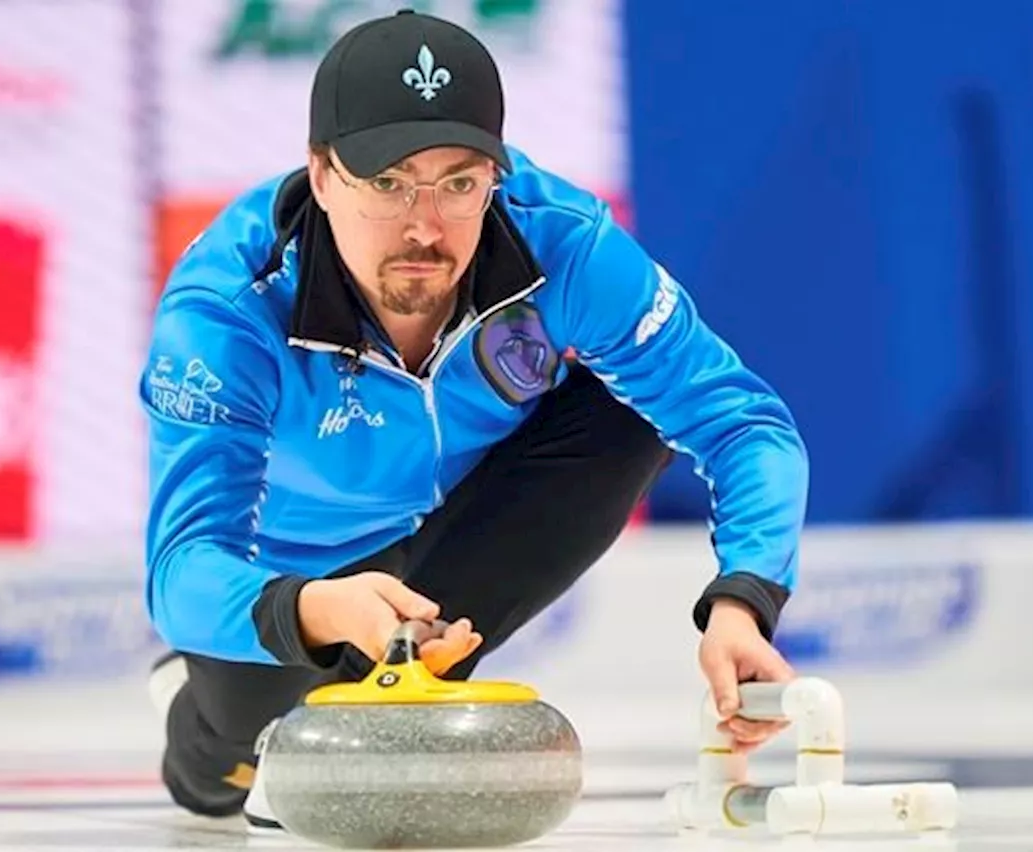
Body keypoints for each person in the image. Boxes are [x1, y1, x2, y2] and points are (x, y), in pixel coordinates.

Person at [140, 7, 808, 832]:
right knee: (229, 771)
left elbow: (743, 423)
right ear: (321, 175)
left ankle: (387, 689)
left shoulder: (562, 244)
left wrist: (743, 601)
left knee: (636, 414)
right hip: (300, 572)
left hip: (470, 517)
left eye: (459, 182)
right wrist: (315, 607)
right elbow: (182, 569)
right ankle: (201, 719)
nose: (426, 226)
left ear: (495, 174)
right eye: (388, 183)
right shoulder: (228, 307)